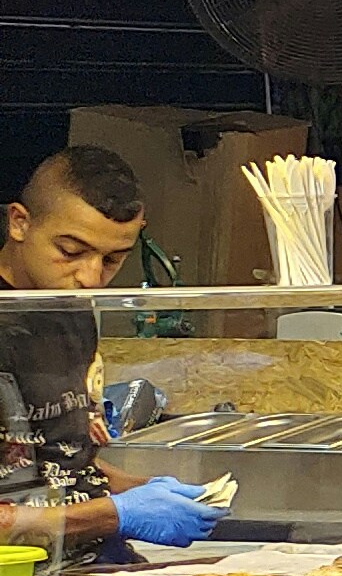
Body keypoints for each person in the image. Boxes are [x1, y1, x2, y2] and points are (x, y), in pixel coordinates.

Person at [0, 146, 220, 554]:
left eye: (113, 260)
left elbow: (59, 455)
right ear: (19, 223)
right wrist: (115, 513)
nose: (90, 278)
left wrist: (141, 489)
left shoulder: (68, 307)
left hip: (83, 562)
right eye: (70, 251)